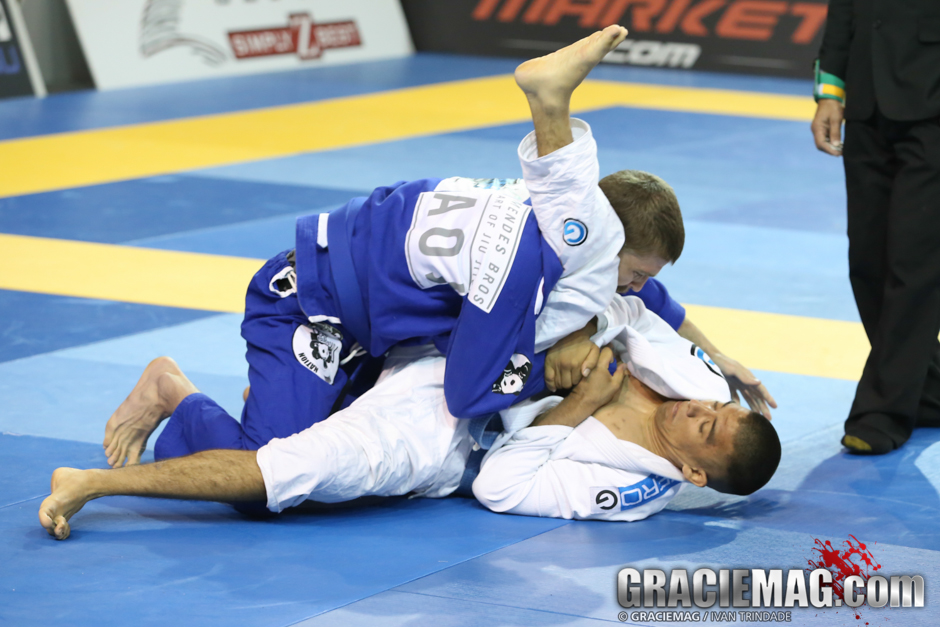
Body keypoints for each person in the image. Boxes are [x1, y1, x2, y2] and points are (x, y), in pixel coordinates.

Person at [39, 293, 782, 539]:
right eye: (716, 407)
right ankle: (320, 373)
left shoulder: (626, 490)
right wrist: (593, 330)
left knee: (277, 478)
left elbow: (500, 486)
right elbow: (635, 302)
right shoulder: (698, 380)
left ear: (692, 472)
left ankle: (120, 452)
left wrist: (582, 402)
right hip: (468, 337)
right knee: (277, 453)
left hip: (450, 426)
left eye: (705, 428)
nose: (698, 407)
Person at [811, 0, 940, 454]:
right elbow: (843, 11)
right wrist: (830, 92)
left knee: (914, 264)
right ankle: (929, 391)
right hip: (866, 106)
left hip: (933, 106)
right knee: (868, 263)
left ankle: (881, 412)